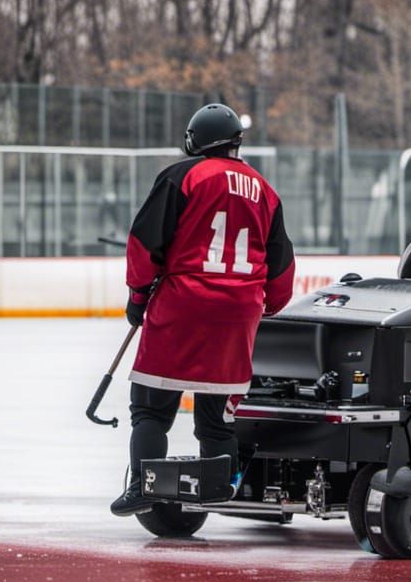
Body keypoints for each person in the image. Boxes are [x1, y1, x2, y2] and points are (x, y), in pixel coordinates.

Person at [110, 103, 295, 516]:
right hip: (238, 315)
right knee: (216, 419)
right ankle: (221, 487)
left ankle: (144, 484)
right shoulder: (265, 190)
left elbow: (144, 244)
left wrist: (138, 298)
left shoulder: (182, 176)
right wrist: (269, 306)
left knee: (150, 408)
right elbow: (280, 265)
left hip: (182, 306)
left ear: (195, 140)